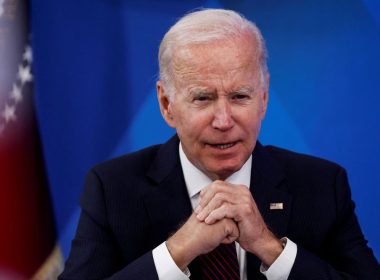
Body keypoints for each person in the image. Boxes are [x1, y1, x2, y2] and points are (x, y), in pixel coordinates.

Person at [59, 8, 380, 280]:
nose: (224, 121)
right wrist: (177, 252)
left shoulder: (322, 185)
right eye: (202, 98)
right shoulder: (112, 188)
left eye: (240, 96)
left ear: (264, 98)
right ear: (166, 104)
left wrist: (270, 248)